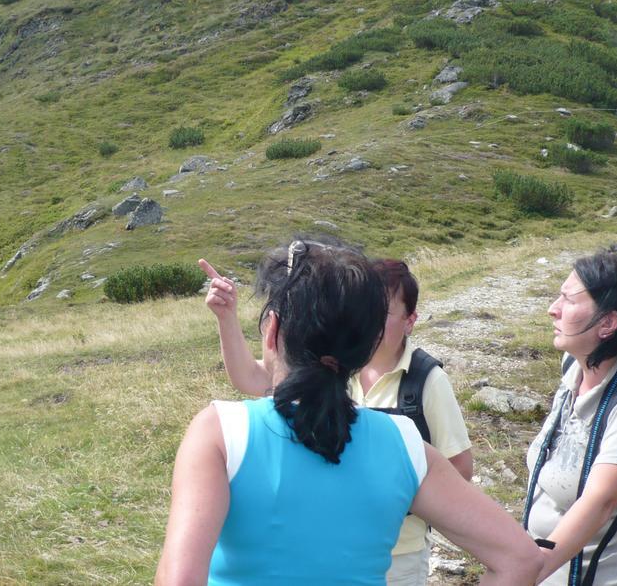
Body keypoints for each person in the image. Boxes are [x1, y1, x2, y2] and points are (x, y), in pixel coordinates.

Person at [156, 239, 542, 585]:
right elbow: (520, 559)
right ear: (365, 347)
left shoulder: (220, 433)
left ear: (272, 331)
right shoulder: (405, 443)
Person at [524, 245, 617, 585]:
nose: (553, 309)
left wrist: (525, 571)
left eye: (568, 299)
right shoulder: (574, 371)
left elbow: (602, 501)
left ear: (607, 323)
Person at [350, 259, 473, 585]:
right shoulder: (339, 370)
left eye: (384, 313)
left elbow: (460, 468)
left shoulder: (427, 380)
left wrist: (405, 499)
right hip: (340, 544)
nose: (370, 321)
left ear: (410, 320)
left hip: (399, 554)